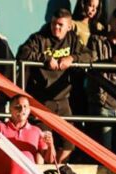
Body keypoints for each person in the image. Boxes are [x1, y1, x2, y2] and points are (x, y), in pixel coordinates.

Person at [17, 8, 93, 163]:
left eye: (60, 25)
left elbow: (90, 55)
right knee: (43, 144)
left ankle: (55, 172)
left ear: (69, 26)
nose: (55, 28)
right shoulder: (39, 38)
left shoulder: (72, 40)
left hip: (63, 99)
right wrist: (45, 59)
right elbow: (22, 53)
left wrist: (72, 58)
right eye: (53, 24)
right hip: (41, 100)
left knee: (70, 143)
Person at [86, 7, 116, 154]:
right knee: (104, 152)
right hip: (103, 102)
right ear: (110, 22)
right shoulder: (97, 40)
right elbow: (90, 65)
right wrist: (112, 61)